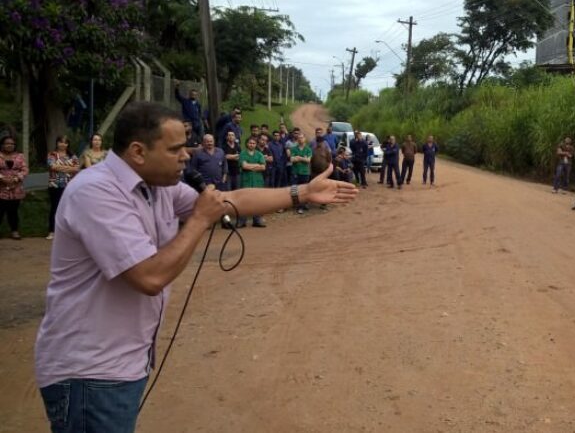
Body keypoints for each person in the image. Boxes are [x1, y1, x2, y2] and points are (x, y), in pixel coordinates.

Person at [33, 102, 357, 433]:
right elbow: (149, 276)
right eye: (175, 149)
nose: (186, 156)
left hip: (122, 364)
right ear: (138, 152)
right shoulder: (95, 192)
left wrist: (302, 192)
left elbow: (231, 201)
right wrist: (201, 219)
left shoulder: (157, 186)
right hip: (90, 372)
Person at [47, 136, 80, 240]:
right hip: (55, 184)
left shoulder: (72, 156)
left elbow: (77, 168)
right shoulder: (52, 154)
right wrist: (69, 168)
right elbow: (52, 166)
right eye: (60, 142)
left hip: (69, 185)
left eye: (65, 142)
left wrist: (61, 168)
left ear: (68, 144)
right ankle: (52, 231)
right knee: (55, 207)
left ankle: (67, 232)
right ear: (57, 143)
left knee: (68, 208)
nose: (63, 144)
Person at [0, 135, 28, 240]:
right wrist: (2, 178)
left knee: (13, 211)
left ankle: (14, 231)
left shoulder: (20, 156)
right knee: (0, 210)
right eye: (7, 143)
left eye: (12, 144)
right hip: (1, 187)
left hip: (15, 188)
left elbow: (25, 170)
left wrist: (16, 179)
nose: (9, 145)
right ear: (2, 145)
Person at [238, 137, 267, 227]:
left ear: (256, 144)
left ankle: (257, 220)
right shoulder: (243, 153)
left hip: (257, 180)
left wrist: (250, 166)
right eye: (250, 143)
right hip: (246, 180)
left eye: (253, 143)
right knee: (244, 200)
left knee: (257, 200)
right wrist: (257, 165)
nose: (252, 145)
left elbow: (263, 167)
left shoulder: (259, 154)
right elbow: (244, 166)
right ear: (247, 144)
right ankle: (242, 220)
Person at [290, 132, 313, 214]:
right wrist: (303, 158)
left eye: (302, 137)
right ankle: (297, 205)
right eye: (299, 138)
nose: (300, 139)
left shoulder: (308, 149)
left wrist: (298, 157)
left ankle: (303, 206)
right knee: (295, 190)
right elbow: (292, 160)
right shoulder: (293, 149)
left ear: (305, 139)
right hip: (295, 172)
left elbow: (308, 160)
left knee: (304, 190)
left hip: (305, 172)